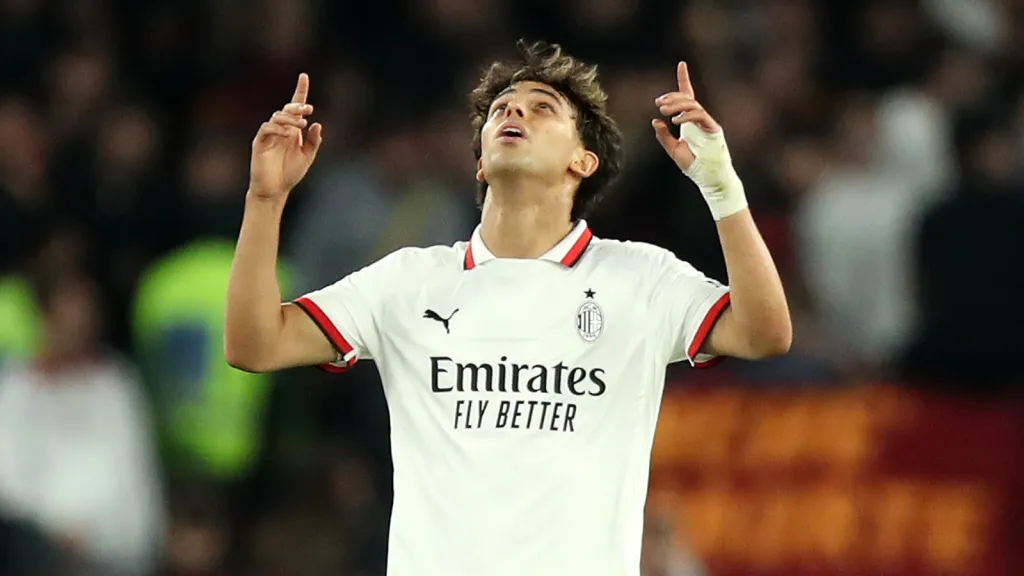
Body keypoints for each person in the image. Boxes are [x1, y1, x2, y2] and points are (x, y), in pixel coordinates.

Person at [225, 40, 791, 576]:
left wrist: (723, 189)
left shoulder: (639, 279)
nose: (514, 114)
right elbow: (255, 344)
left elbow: (765, 333)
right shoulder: (409, 282)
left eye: (542, 108)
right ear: (479, 164)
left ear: (583, 161)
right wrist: (265, 200)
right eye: (501, 109)